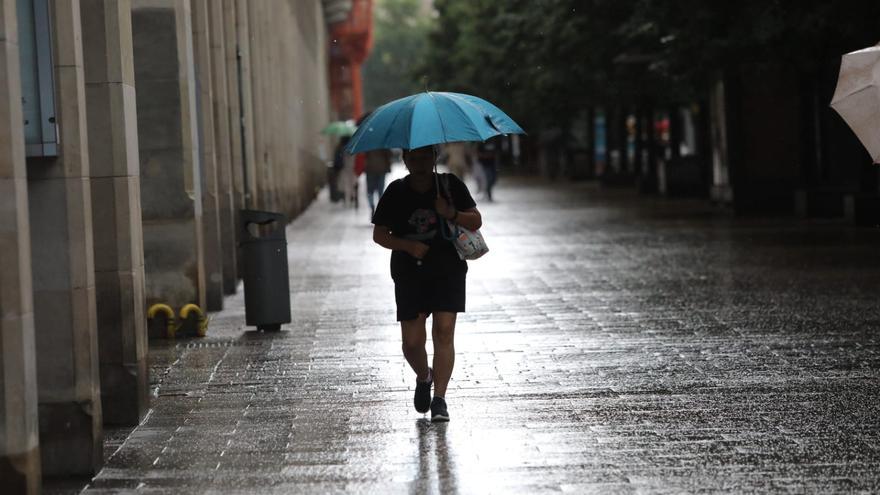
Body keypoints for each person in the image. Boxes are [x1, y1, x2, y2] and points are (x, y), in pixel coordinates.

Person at [371, 145, 482, 422]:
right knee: (411, 343)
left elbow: (476, 220)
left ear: (434, 157)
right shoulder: (395, 191)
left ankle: (440, 400)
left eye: (425, 156)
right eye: (414, 157)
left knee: (444, 332)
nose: (420, 162)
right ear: (405, 160)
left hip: (448, 269)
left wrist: (451, 213)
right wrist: (407, 246)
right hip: (410, 272)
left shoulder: (449, 185)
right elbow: (380, 235)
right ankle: (424, 376)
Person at [364, 148, 392, 217]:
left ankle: (372, 207)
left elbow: (364, 156)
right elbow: (390, 154)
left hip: (370, 169)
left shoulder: (368, 145)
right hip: (382, 169)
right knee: (380, 191)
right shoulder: (384, 144)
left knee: (370, 191)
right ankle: (380, 209)